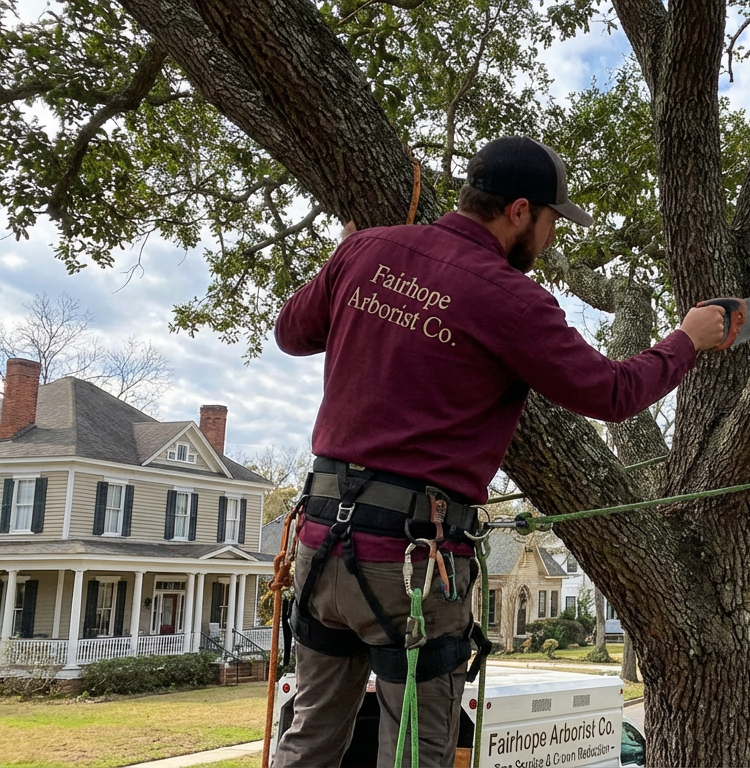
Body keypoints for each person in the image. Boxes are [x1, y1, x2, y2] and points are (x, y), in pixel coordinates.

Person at [271, 135, 725, 767]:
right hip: (411, 566)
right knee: (416, 755)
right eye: (550, 222)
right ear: (518, 211)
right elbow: (612, 391)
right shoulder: (511, 298)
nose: (551, 239)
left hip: (322, 546)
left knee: (309, 740)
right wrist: (686, 340)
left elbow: (290, 332)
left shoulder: (365, 252)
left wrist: (343, 261)